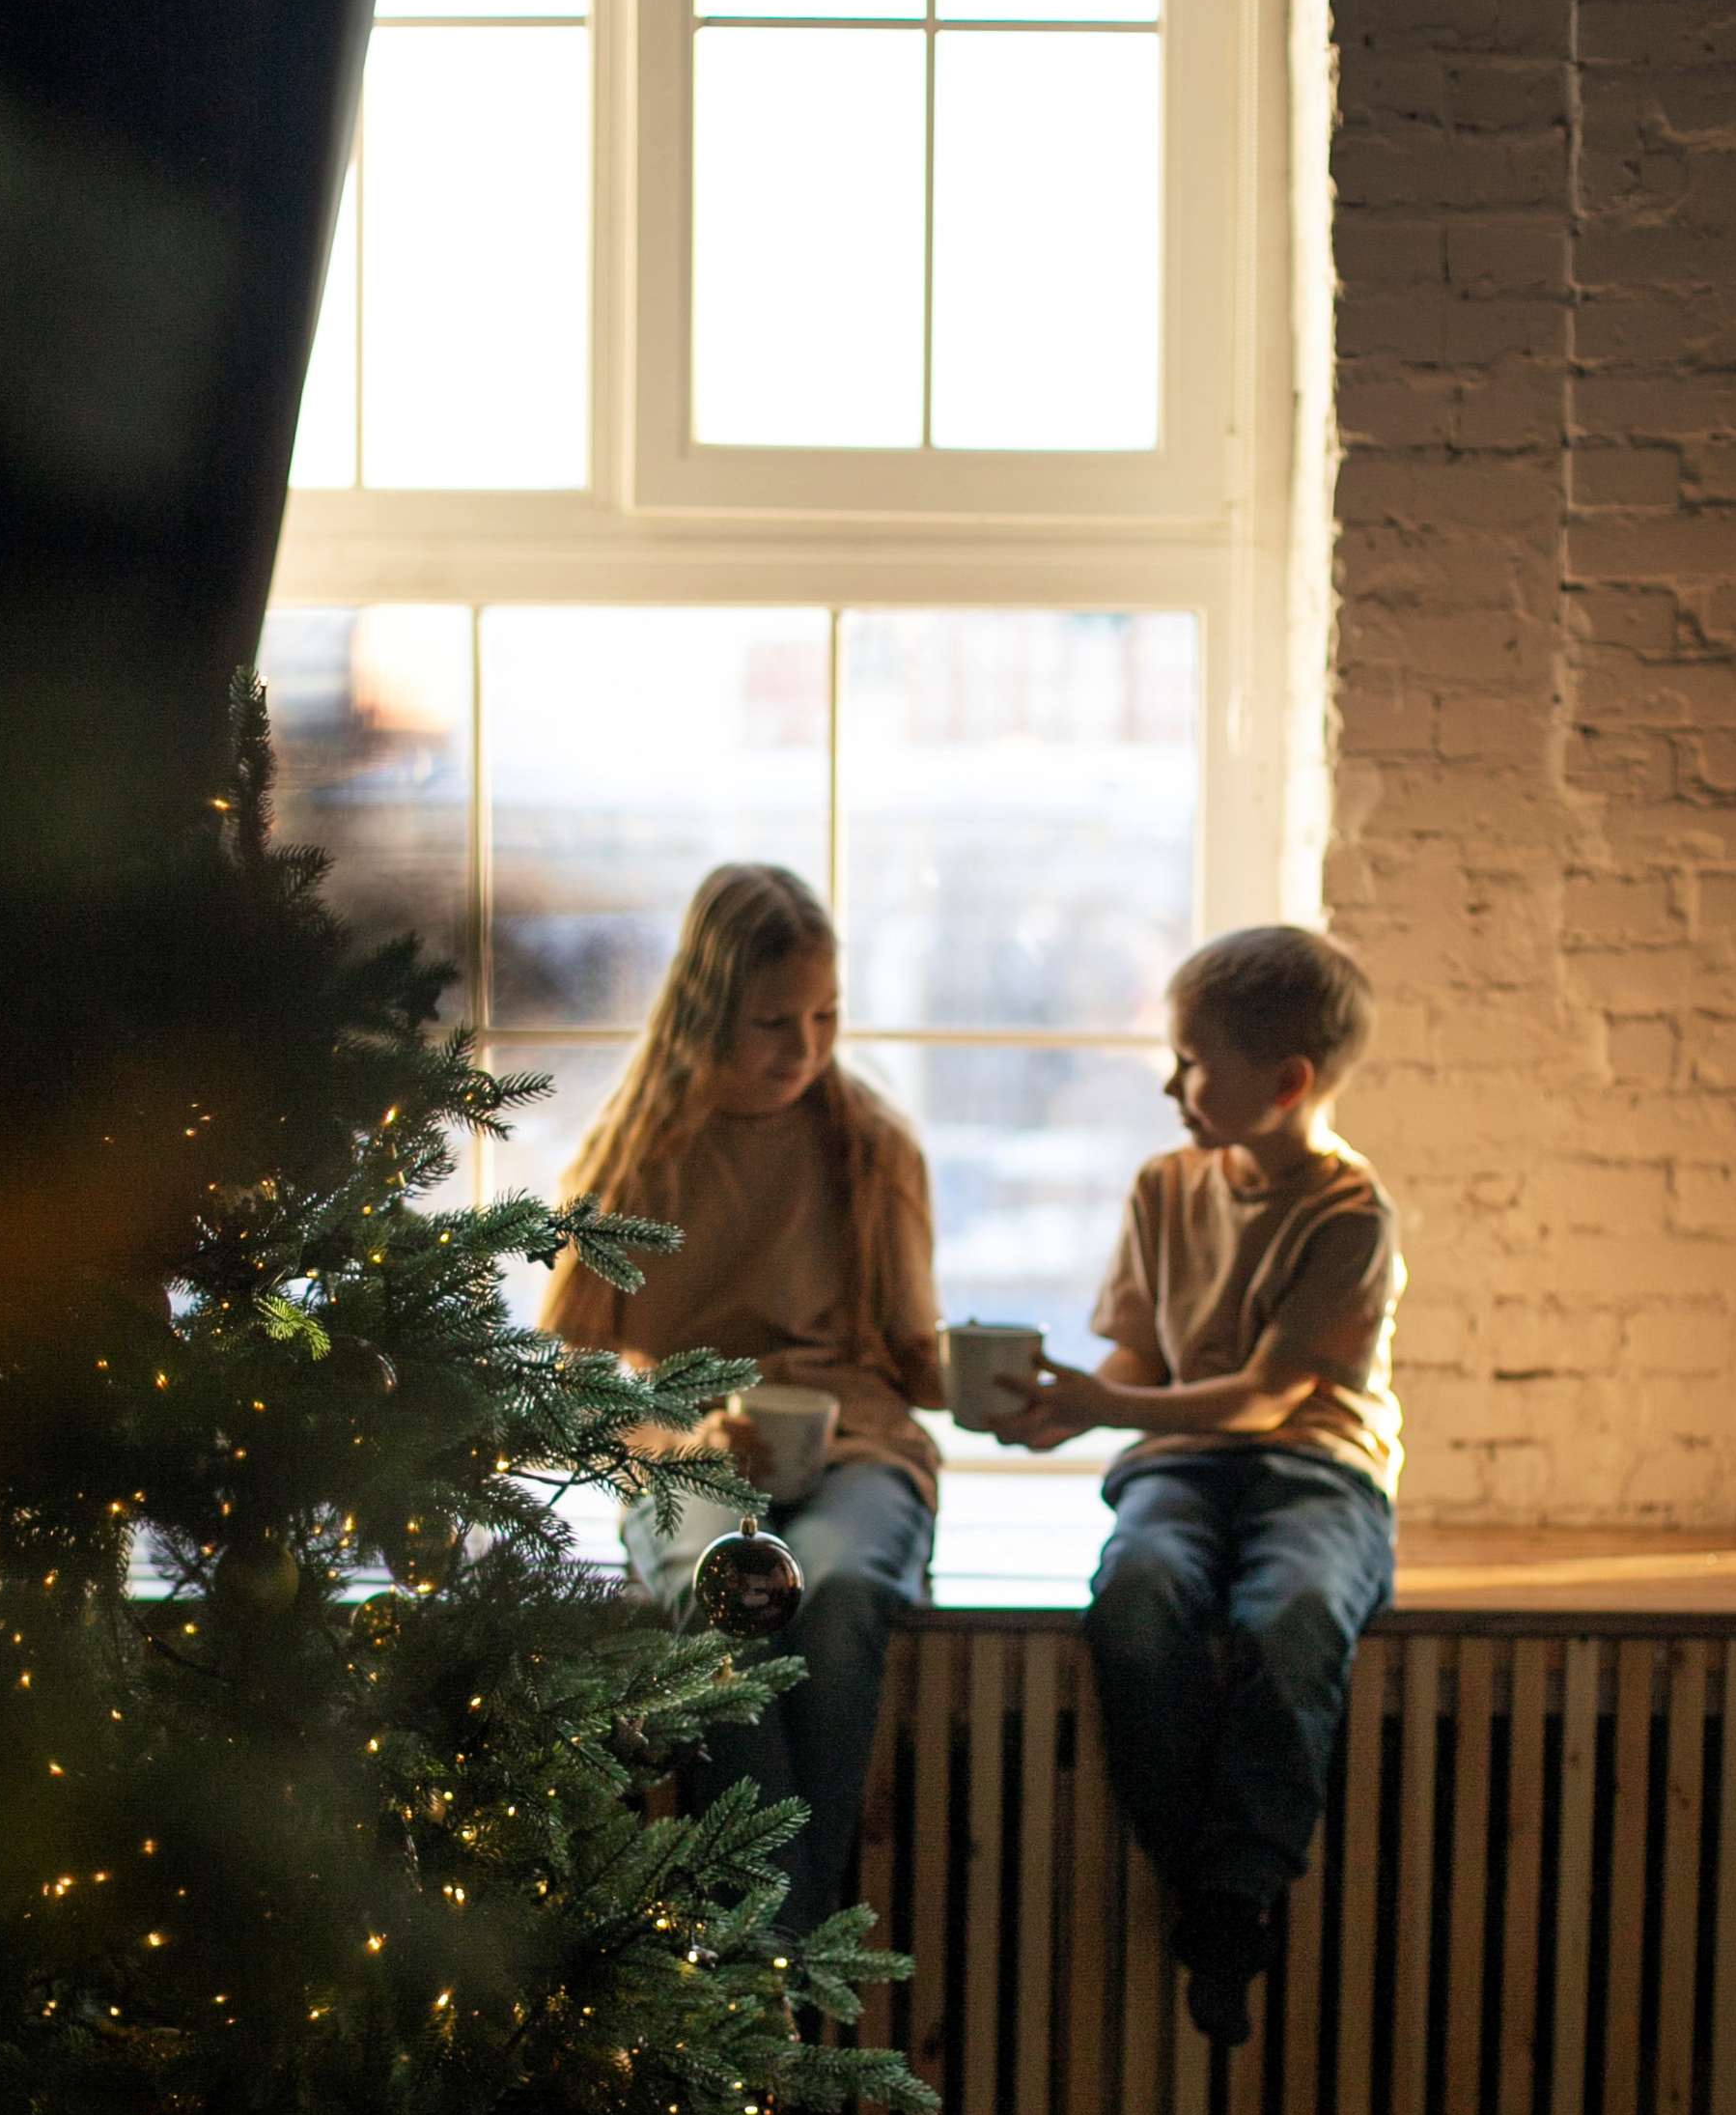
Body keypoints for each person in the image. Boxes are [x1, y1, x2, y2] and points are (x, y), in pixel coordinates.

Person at [993, 924, 1403, 2045]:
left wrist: (1100, 1405)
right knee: (1135, 1598)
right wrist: (1052, 1413)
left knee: (1295, 1615)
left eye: (1191, 1062)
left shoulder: (1349, 1215)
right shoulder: (1164, 1185)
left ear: (1286, 1084)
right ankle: (1212, 1889)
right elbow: (1140, 1359)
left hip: (1315, 1467)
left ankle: (1238, 1890)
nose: (1170, 1083)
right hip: (1179, 1462)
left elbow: (1268, 1397)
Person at [539, 863, 942, 1930]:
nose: (805, 1049)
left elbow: (916, 1361)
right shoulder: (638, 1160)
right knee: (734, 1600)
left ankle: (769, 1975)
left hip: (858, 1449)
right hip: (691, 1458)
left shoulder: (871, 1147)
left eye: (826, 1016)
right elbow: (574, 1386)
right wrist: (679, 1444)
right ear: (705, 1009)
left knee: (845, 1595)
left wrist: (1024, 1386)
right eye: (773, 1020)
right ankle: (792, 1966)